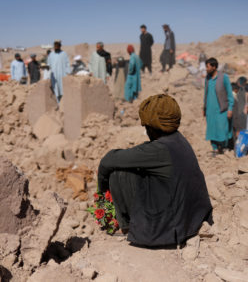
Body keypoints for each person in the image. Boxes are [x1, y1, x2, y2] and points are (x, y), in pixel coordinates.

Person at [97, 94, 212, 247]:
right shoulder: (179, 140)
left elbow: (108, 160)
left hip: (170, 229)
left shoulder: (158, 150)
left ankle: (123, 225)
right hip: (192, 219)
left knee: (118, 174)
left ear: (152, 127)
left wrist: (102, 196)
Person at [203, 58, 234, 155]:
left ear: (214, 67)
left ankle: (223, 147)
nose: (206, 69)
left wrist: (230, 108)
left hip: (222, 109)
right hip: (210, 109)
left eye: (207, 67)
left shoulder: (224, 77)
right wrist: (204, 107)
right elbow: (205, 93)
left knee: (222, 129)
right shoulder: (207, 78)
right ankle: (215, 149)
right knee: (211, 129)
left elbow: (229, 94)